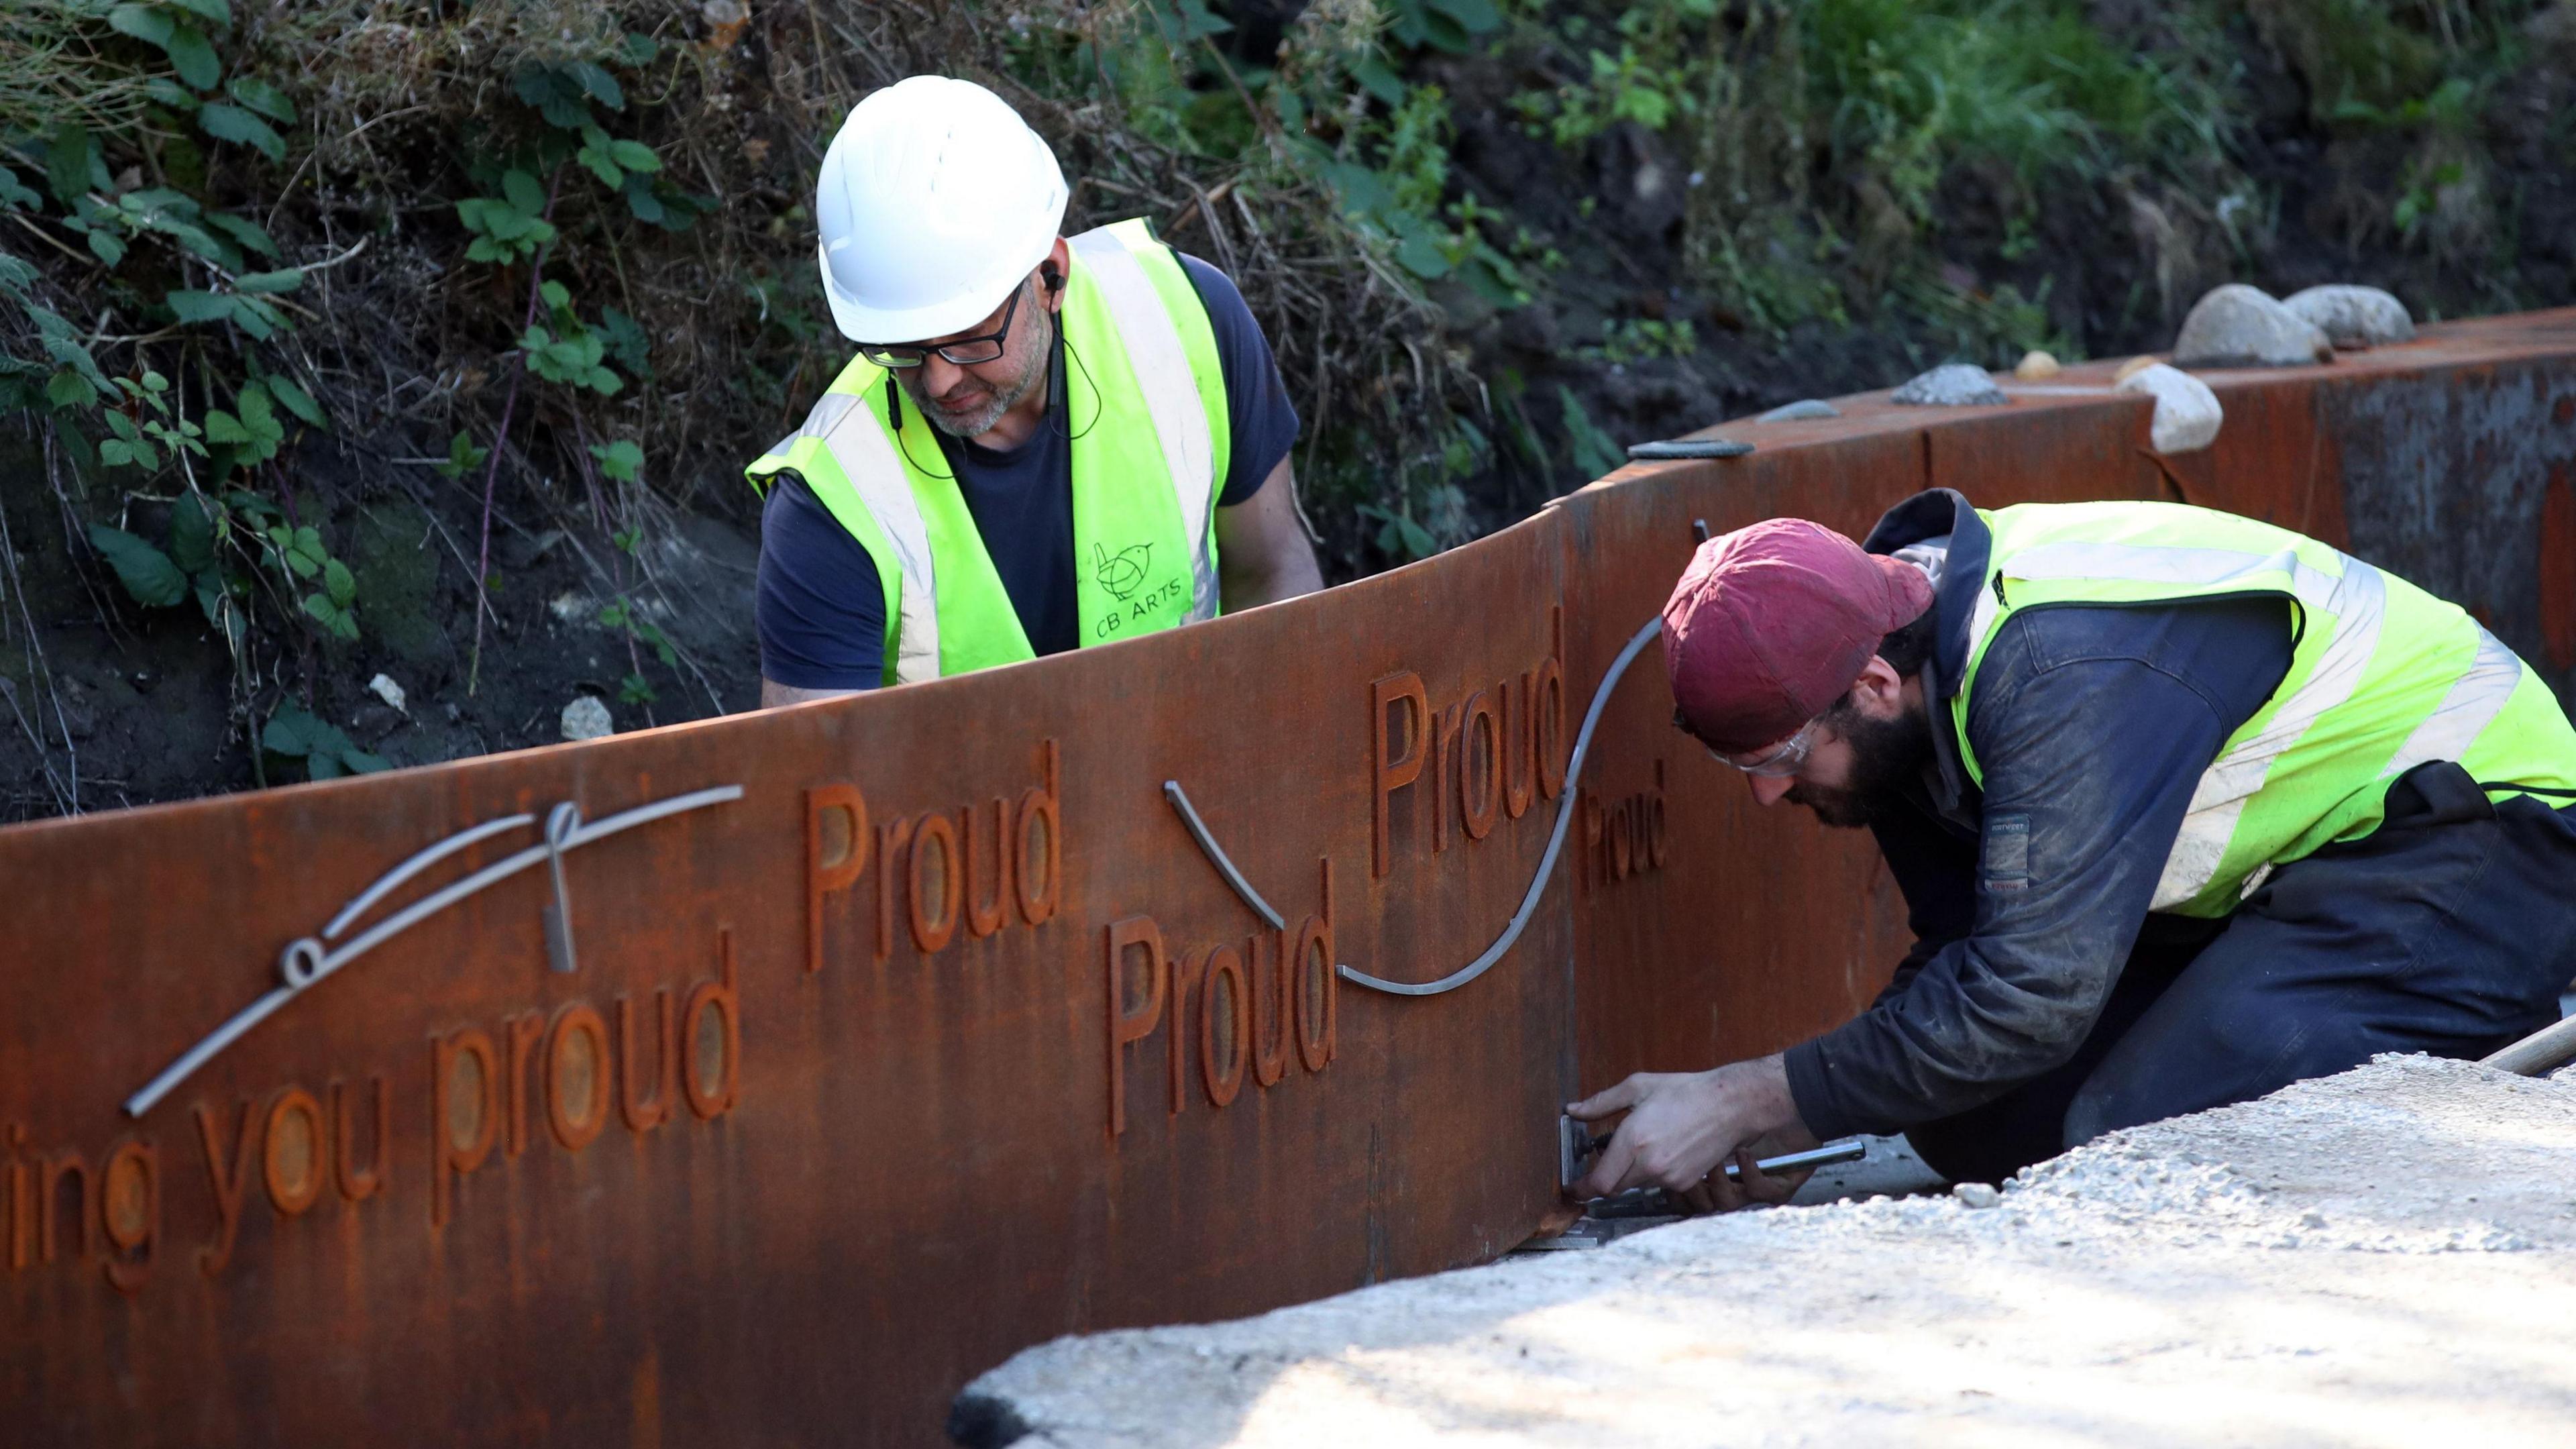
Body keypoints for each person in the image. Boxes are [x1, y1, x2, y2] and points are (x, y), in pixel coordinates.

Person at [1571, 486, 2576, 1210]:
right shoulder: (1892, 667)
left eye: (1785, 756)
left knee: (2137, 1138)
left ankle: (2467, 1048)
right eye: (1738, 767)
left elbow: (2026, 996)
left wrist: (1754, 1090)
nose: (1766, 793)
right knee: (1975, 1124)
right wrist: (1786, 1115)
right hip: (2298, 874)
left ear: (1873, 687)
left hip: (2480, 839)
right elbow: (1969, 947)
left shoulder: (2062, 671)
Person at [747, 76, 1322, 702]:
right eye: (902, 347)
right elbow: (818, 783)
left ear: (1050, 276)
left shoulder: (1186, 320)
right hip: (972, 805)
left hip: (1191, 782)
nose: (938, 379)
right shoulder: (832, 500)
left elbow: (1271, 577)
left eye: (969, 337)